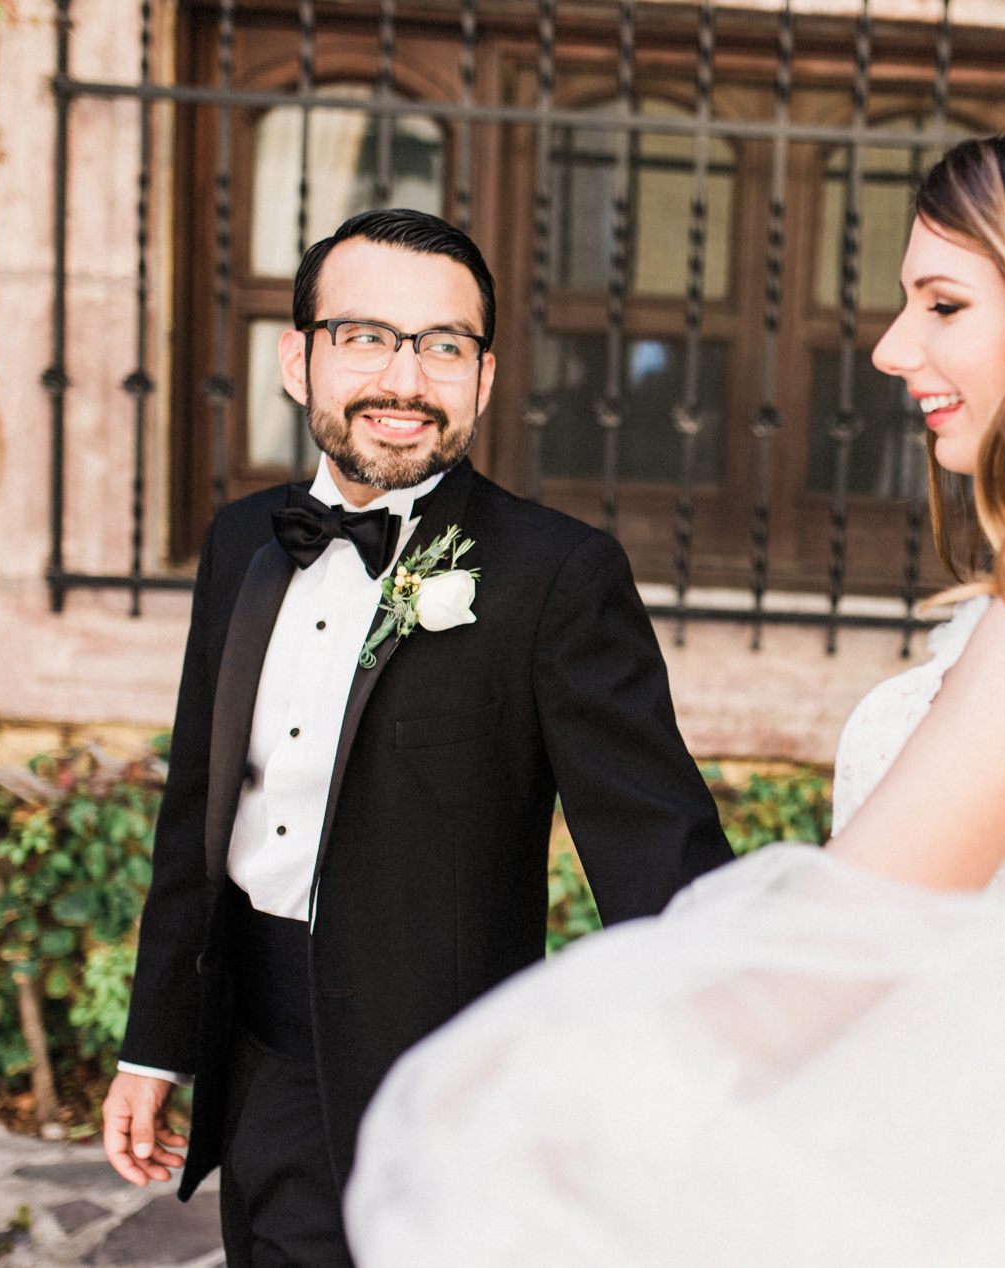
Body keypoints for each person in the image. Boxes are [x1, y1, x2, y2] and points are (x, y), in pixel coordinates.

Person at [345, 102, 1005, 1266]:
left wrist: (566, 1099)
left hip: (933, 1199)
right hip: (998, 1165)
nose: (889, 347)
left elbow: (849, 941)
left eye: (943, 305)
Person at [101, 208, 735, 1267]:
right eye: (365, 337)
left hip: (431, 1090)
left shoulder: (554, 576)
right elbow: (199, 811)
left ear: (483, 379)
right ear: (296, 359)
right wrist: (156, 1042)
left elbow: (653, 851)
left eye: (444, 345)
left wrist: (713, 1071)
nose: (406, 378)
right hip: (250, 1058)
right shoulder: (241, 542)